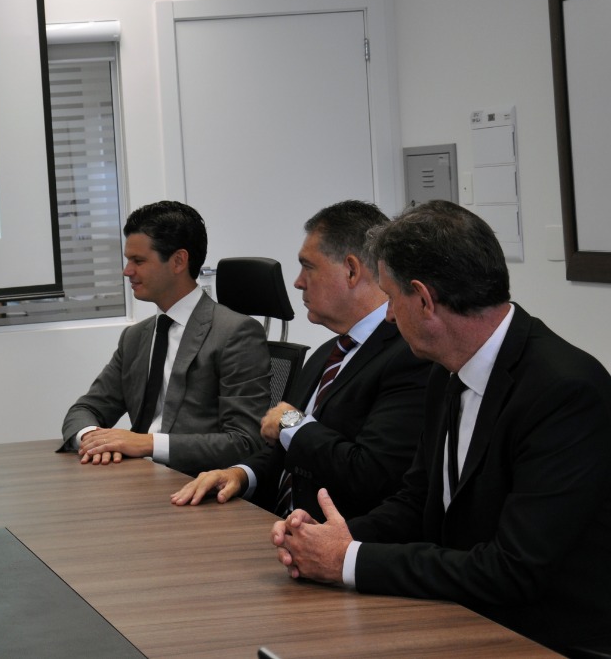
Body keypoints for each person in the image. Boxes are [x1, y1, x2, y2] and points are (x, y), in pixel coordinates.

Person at [271, 200, 611, 657]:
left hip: (542, 639)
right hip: (458, 614)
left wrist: (349, 560)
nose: (389, 316)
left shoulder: (565, 391)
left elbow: (512, 570)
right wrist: (332, 535)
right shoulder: (446, 369)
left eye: (391, 299)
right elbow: (418, 502)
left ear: (424, 300)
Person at [171, 201, 428, 520]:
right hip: (273, 526)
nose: (298, 282)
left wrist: (292, 422)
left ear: (351, 270)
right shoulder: (328, 354)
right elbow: (286, 450)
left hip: (337, 546)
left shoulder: (409, 357)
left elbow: (371, 474)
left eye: (308, 266)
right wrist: (239, 475)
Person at [60, 200, 271, 475]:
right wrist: (93, 439)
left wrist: (147, 444)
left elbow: (244, 442)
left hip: (196, 489)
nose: (127, 271)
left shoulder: (236, 333)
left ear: (178, 261)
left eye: (138, 261)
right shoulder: (136, 337)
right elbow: (86, 408)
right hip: (140, 481)